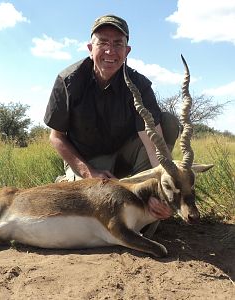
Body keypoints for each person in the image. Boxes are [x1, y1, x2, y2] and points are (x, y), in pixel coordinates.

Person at [44, 15, 179, 221]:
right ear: (90, 48)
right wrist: (89, 172)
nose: (110, 51)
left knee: (167, 123)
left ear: (127, 51)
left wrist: (158, 191)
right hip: (88, 159)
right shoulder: (68, 81)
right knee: (93, 207)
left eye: (118, 44)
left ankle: (142, 194)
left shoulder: (139, 84)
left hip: (125, 156)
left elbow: (152, 144)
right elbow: (57, 137)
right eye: (103, 43)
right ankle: (70, 181)